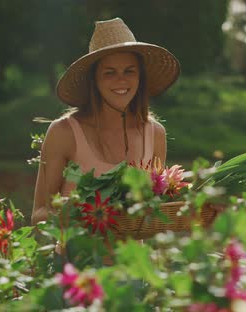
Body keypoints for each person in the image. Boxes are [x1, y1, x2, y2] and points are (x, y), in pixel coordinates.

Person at [31, 17, 180, 225]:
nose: (121, 80)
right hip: (75, 257)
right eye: (110, 73)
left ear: (140, 77)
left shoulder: (155, 134)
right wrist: (83, 214)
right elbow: (39, 214)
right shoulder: (64, 132)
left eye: (129, 71)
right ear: (94, 80)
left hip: (136, 258)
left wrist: (199, 207)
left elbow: (155, 214)